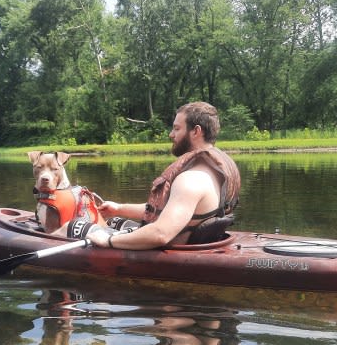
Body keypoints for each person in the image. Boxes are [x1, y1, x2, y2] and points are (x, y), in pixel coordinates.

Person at [73, 101, 241, 250]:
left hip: (171, 252)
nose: (171, 134)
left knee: (76, 226)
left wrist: (108, 240)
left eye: (176, 128)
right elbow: (169, 211)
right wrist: (119, 209)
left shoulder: (191, 180)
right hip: (201, 241)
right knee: (112, 221)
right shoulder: (212, 169)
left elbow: (161, 233)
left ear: (196, 131)